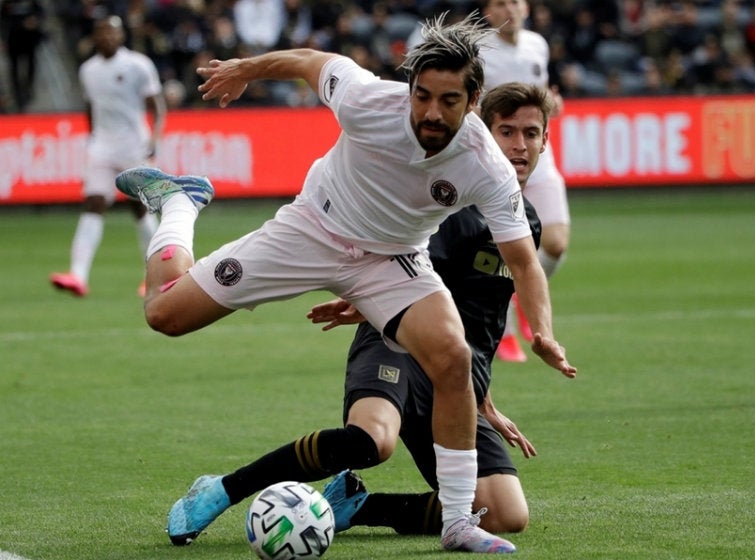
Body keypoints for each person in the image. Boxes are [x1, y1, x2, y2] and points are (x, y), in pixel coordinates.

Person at [116, 13, 576, 554]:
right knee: (164, 314)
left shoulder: (486, 166)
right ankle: (177, 202)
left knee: (453, 356)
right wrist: (246, 69)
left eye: (447, 101)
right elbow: (311, 63)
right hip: (313, 228)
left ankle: (455, 522)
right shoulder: (368, 101)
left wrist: (542, 331)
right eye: (421, 95)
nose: (430, 112)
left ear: (472, 101)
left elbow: (524, 262)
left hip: (391, 260)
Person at [478, 0, 571, 362]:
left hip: (536, 154)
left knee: (557, 242)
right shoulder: (479, 48)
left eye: (514, 2)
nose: (509, 9)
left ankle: (521, 293)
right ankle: (501, 329)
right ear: (488, 12)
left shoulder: (537, 45)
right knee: (493, 247)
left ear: (526, 8)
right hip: (495, 157)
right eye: (500, 3)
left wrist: (551, 105)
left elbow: (541, 94)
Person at [50, 16, 166, 297]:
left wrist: (154, 139)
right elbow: (91, 107)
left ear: (121, 36)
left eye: (111, 32)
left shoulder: (138, 65)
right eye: (101, 32)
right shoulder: (88, 70)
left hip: (134, 147)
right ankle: (78, 275)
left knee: (140, 208)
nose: (106, 37)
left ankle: (155, 275)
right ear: (94, 37)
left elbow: (157, 106)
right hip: (102, 146)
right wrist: (91, 139)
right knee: (93, 202)